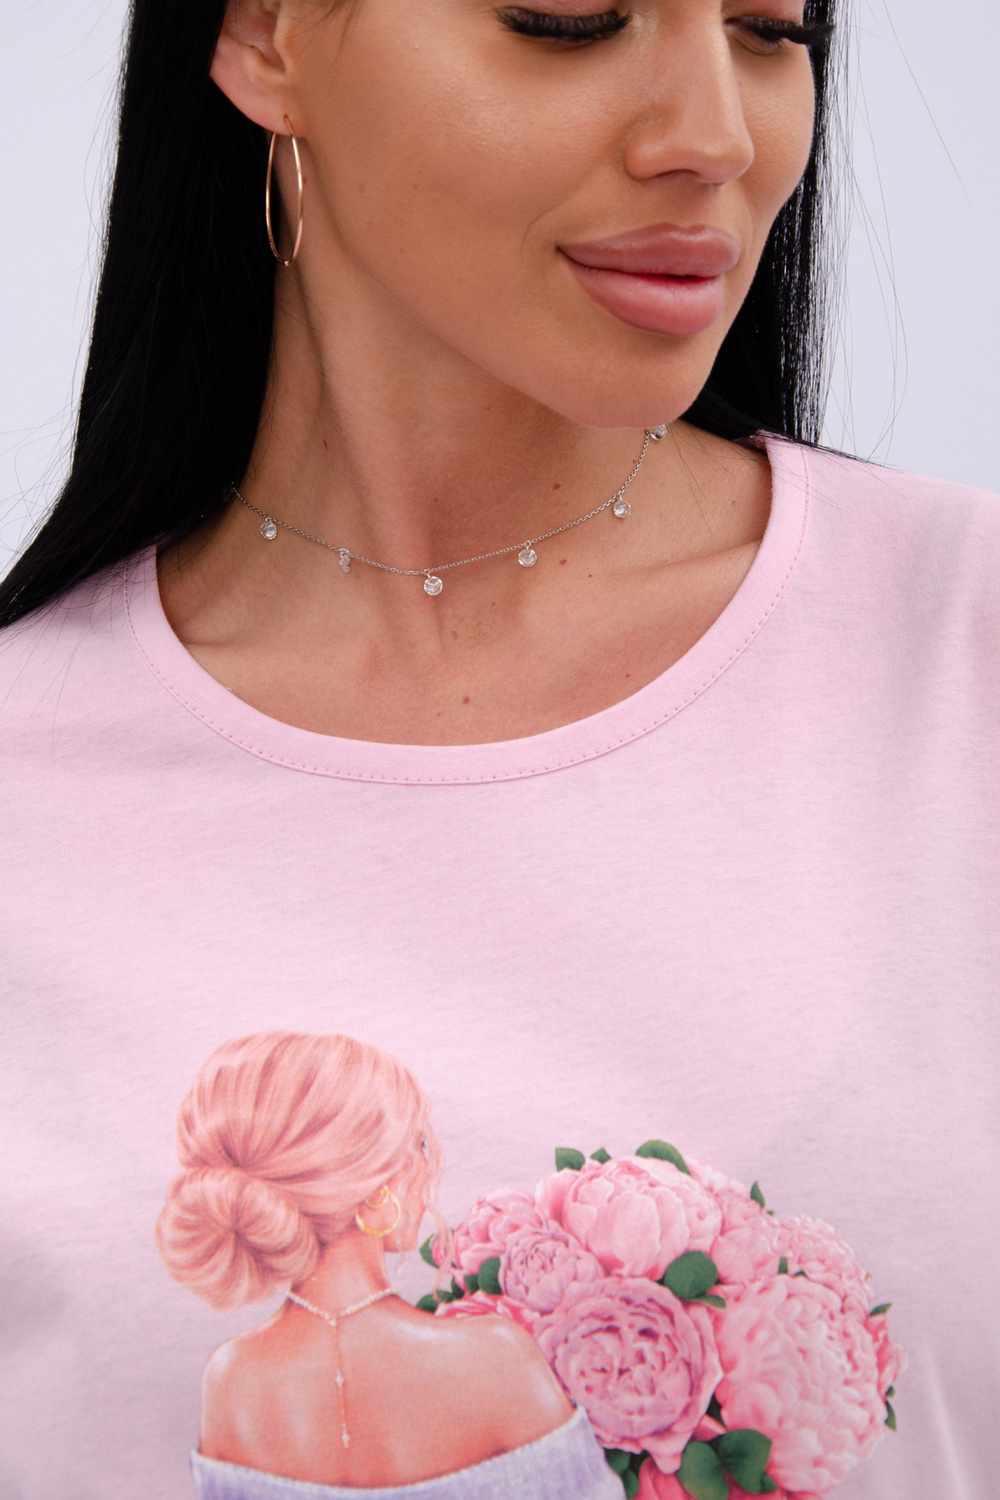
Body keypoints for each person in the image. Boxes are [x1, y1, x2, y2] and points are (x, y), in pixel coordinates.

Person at [0, 1, 996, 1498]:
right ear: (266, 34)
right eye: (567, 18)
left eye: (769, 30)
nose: (714, 137)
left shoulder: (961, 651)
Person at [157, 1032, 614, 1497]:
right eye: (418, 1147)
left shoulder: (230, 1381)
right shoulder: (494, 1358)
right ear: (377, 1191)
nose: (426, 1173)